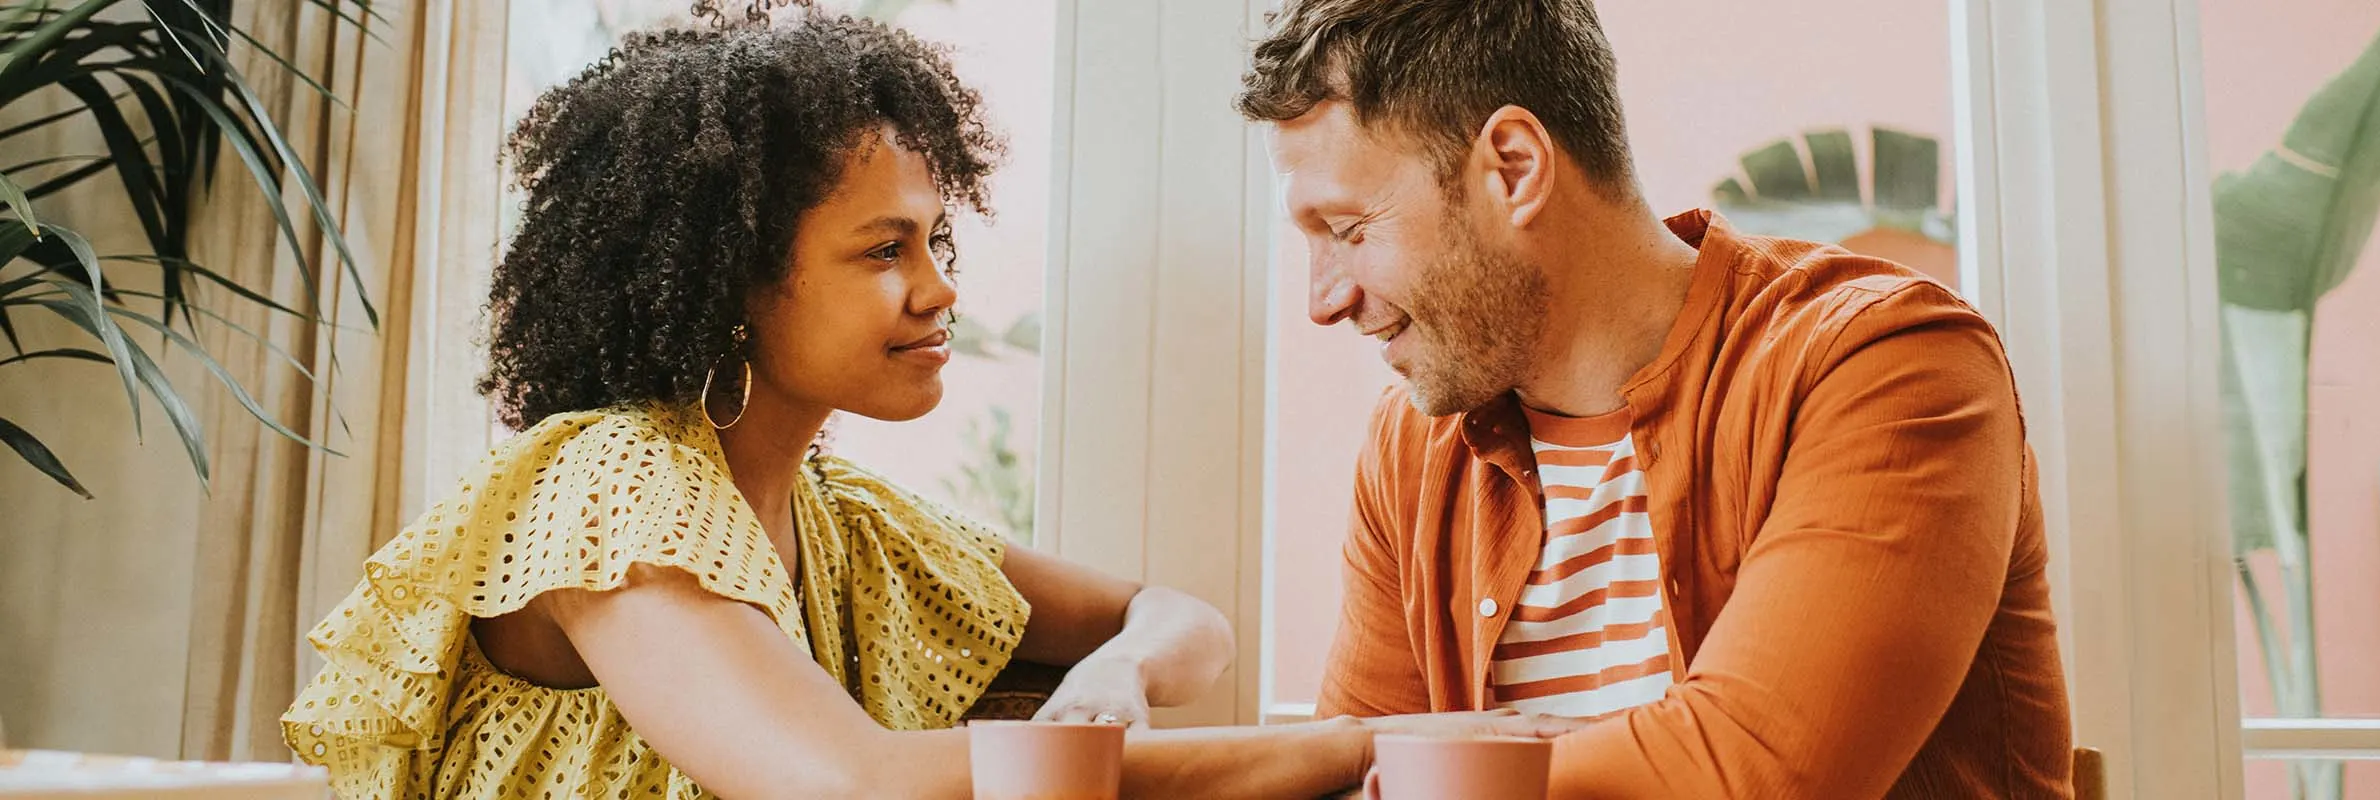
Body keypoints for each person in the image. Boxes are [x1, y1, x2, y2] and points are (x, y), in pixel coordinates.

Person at [282, 13, 1569, 800]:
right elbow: (855, 779)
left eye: (938, 239)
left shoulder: (849, 524)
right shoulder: (612, 483)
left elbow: (1182, 619)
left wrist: (1118, 669)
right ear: (734, 277)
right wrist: (1369, 749)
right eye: (883, 249)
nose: (938, 288)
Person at [1238, 1, 2075, 797]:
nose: (1324, 300)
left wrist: (1427, 775)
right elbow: (1340, 774)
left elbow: (1752, 775)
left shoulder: (1885, 365)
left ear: (1514, 169)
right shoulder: (1413, 448)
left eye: (1348, 231)